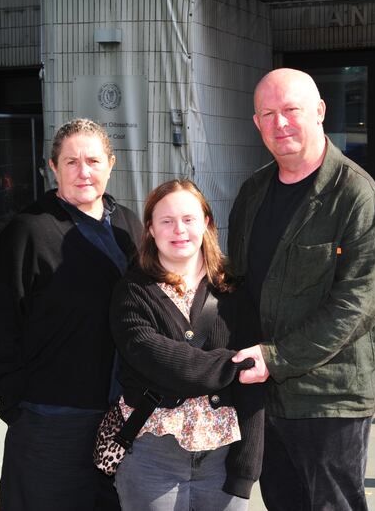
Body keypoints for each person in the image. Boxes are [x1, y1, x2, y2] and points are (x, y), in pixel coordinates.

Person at [228, 68, 375, 511]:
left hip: (330, 401)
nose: (280, 123)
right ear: (256, 123)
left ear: (319, 112)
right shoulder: (252, 193)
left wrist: (276, 358)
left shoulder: (356, 195)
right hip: (267, 396)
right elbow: (237, 286)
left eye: (290, 110)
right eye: (268, 113)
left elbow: (358, 305)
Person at [0, 118, 142, 511]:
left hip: (120, 415)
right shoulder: (29, 232)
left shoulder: (128, 226)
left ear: (111, 164)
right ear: (53, 168)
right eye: (71, 162)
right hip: (52, 419)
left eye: (94, 161)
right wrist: (21, 405)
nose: (84, 171)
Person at [109, 179, 265, 511]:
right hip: (151, 459)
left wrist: (245, 470)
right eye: (166, 221)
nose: (178, 229)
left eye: (189, 219)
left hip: (223, 460)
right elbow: (165, 364)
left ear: (206, 222)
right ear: (150, 228)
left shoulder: (234, 292)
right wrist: (235, 363)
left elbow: (254, 389)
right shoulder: (132, 293)